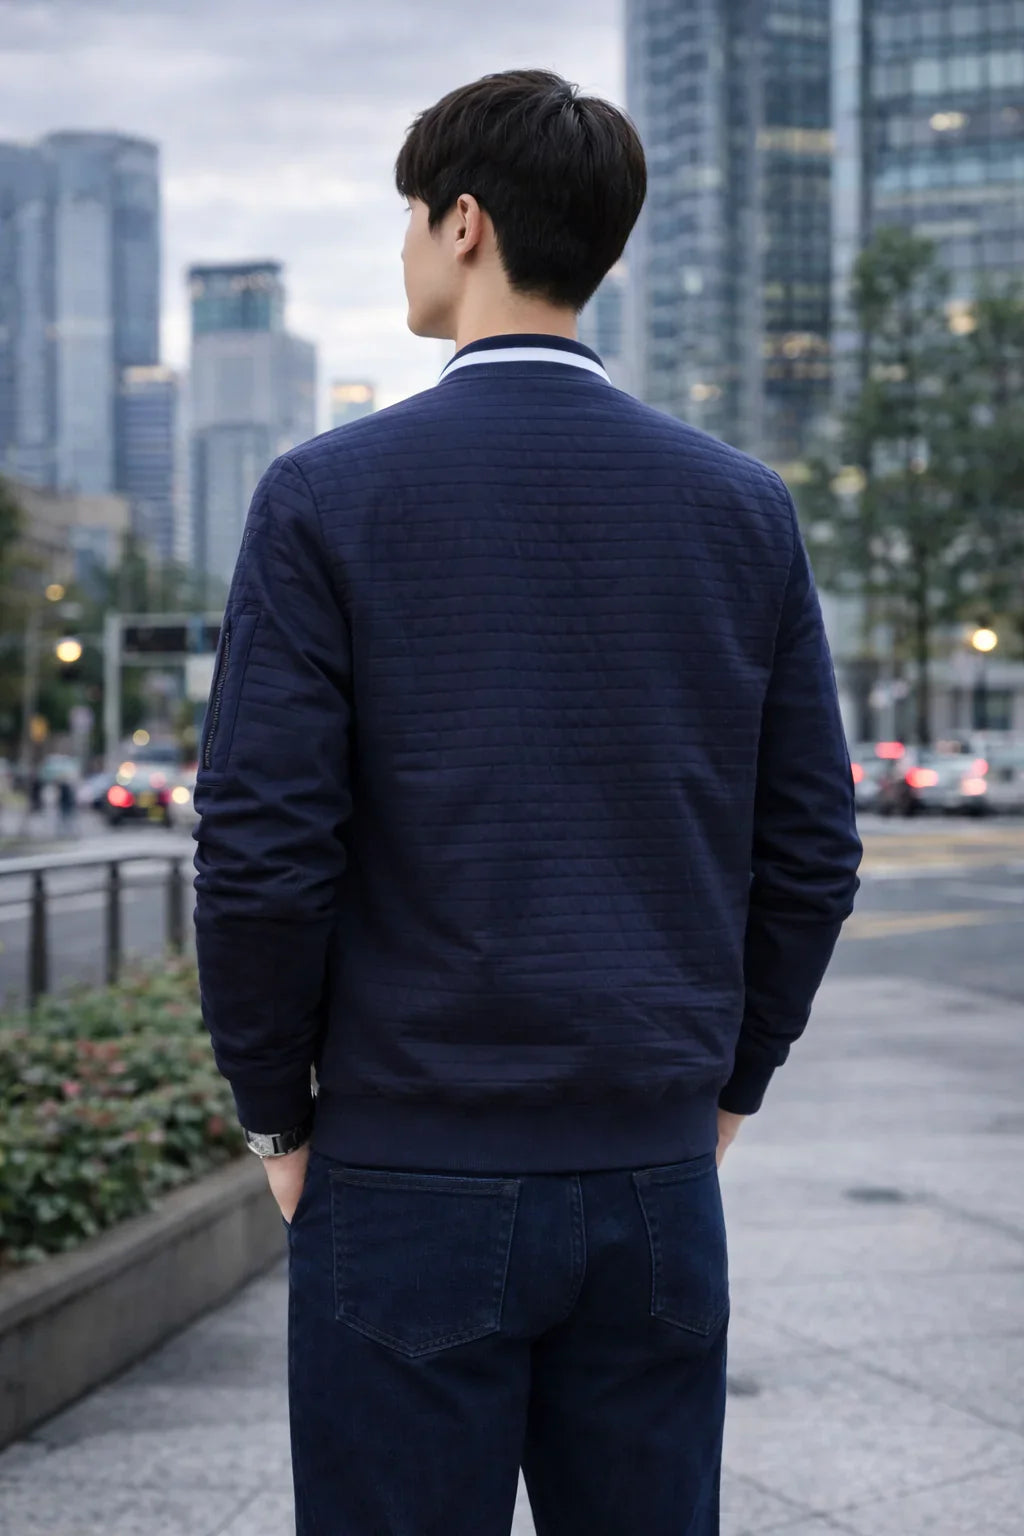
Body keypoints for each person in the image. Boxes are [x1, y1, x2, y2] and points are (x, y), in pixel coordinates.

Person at [193, 69, 861, 1536]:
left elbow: (260, 851)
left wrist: (272, 1119)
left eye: (413, 219)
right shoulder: (741, 506)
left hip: (408, 1164)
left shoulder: (325, 497)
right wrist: (729, 1086)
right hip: (653, 1179)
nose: (410, 249)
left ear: (468, 223)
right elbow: (811, 848)